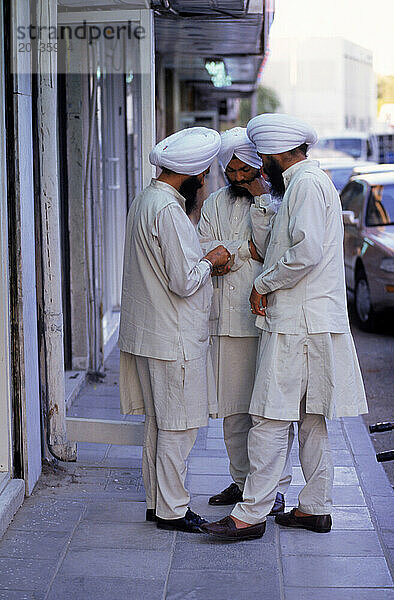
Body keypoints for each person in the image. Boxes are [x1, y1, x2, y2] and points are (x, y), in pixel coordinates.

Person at [201, 114, 368, 541]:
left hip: (299, 324)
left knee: (269, 419)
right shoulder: (305, 183)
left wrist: (263, 282)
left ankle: (250, 514)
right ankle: (314, 508)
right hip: (308, 322)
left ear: (275, 155)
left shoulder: (306, 185)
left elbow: (306, 251)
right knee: (311, 421)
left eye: (263, 160)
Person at [118, 127, 231, 533]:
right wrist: (212, 259)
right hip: (174, 338)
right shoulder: (168, 210)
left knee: (159, 424)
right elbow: (184, 280)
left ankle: (158, 503)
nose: (205, 187)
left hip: (150, 334)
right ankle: (173, 509)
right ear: (194, 177)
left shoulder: (145, 200)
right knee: (179, 427)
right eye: (204, 180)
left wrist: (197, 257)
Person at [198, 127, 290, 515]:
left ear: (258, 167)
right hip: (224, 323)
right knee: (233, 413)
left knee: (267, 412)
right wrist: (242, 251)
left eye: (244, 171)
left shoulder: (276, 203)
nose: (237, 178)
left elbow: (273, 251)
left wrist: (260, 206)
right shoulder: (214, 203)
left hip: (263, 321)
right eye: (231, 171)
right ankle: (241, 483)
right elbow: (203, 250)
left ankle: (274, 490)